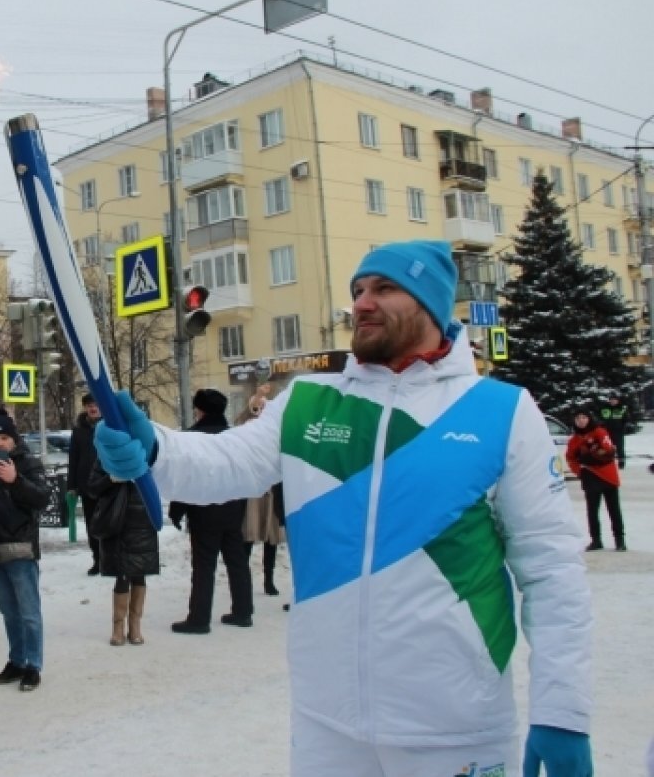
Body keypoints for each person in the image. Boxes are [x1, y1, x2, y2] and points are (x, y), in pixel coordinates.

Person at [94, 240, 593, 776]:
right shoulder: (310, 400)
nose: (362, 303)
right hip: (327, 723)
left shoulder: (500, 411)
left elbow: (551, 569)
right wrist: (155, 449)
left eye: (384, 288)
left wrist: (562, 707)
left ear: (432, 302)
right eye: (357, 290)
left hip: (454, 728)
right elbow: (226, 461)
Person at [0, 409, 48, 692]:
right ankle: (16, 661)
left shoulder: (29, 464)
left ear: (14, 440)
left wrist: (15, 480)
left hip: (20, 551)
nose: (0, 443)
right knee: (9, 613)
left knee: (29, 613)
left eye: (4, 437)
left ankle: (33, 665)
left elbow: (42, 499)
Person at [166, 389, 253, 634]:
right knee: (237, 561)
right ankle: (243, 612)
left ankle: (199, 618)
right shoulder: (235, 437)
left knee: (204, 565)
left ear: (199, 410)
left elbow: (185, 476)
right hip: (233, 506)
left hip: (203, 508)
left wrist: (177, 508)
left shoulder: (192, 437)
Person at [85, 462, 158, 646]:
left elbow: (163, 480)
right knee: (122, 573)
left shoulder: (147, 453)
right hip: (117, 520)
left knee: (140, 572)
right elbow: (92, 488)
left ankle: (135, 625)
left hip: (142, 519)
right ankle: (118, 627)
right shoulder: (106, 457)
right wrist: (111, 478)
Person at [235, 396, 286, 597]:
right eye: (257, 407)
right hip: (253, 490)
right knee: (248, 536)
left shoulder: (277, 432)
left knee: (270, 538)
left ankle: (268, 579)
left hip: (272, 490)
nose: (260, 410)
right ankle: (243, 579)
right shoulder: (247, 429)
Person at [566, 409, 626, 552]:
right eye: (578, 418)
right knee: (592, 511)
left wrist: (591, 455)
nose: (581, 420)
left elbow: (609, 451)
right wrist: (579, 471)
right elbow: (570, 458)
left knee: (614, 509)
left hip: (608, 475)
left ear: (589, 419)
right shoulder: (574, 440)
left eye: (584, 417)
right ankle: (596, 540)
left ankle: (620, 540)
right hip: (589, 476)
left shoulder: (599, 432)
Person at [67, 393, 103, 575]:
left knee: (110, 522)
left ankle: (111, 558)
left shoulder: (110, 425)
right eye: (89, 405)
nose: (93, 407)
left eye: (95, 404)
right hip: (87, 485)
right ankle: (97, 559)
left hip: (108, 485)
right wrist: (71, 486)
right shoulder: (79, 430)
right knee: (92, 525)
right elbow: (73, 458)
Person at [598, 393, 629, 469]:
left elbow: (625, 419)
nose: (613, 401)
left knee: (620, 448)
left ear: (617, 401)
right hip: (607, 431)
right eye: (611, 400)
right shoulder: (604, 409)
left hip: (618, 431)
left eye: (614, 400)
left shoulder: (621, 408)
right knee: (606, 447)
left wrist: (623, 428)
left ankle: (621, 462)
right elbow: (600, 419)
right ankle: (607, 462)